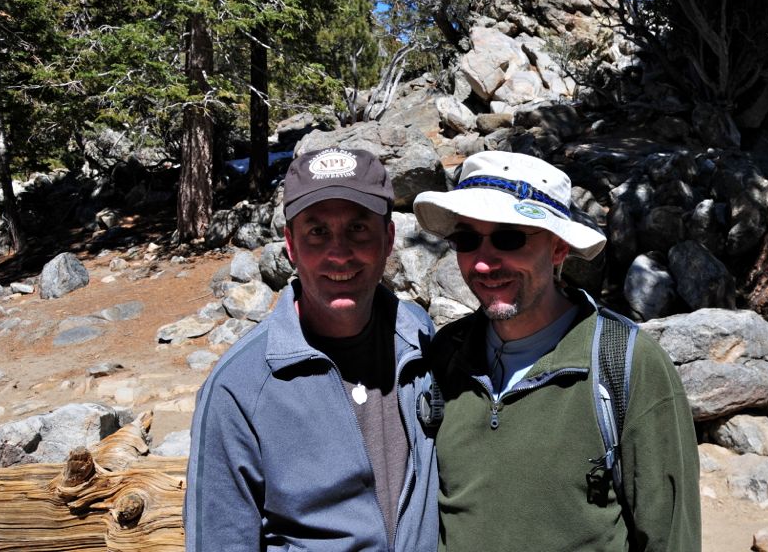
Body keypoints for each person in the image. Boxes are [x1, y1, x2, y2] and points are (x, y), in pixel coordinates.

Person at [413, 151, 700, 552]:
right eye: (467, 239)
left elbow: (671, 538)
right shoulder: (448, 353)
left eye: (509, 237)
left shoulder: (626, 363)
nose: (483, 263)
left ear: (558, 248)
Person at [184, 147, 438, 552]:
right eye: (317, 232)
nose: (339, 253)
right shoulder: (240, 387)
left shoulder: (420, 339)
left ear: (388, 239)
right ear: (290, 245)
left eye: (358, 229)